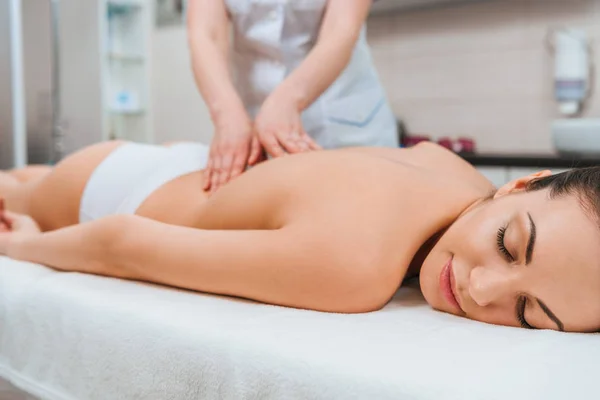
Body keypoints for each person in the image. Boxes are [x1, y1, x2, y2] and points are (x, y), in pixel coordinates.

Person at [0, 139, 599, 333]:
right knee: (18, 197)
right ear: (524, 183)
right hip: (116, 190)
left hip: (188, 165)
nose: (481, 287)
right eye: (508, 245)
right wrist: (22, 247)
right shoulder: (354, 268)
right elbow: (123, 242)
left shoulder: (452, 169)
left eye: (528, 313)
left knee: (21, 178)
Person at [187, 0, 398, 194]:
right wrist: (226, 115)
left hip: (345, 117)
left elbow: (341, 28)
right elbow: (206, 34)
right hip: (251, 129)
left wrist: (286, 101)